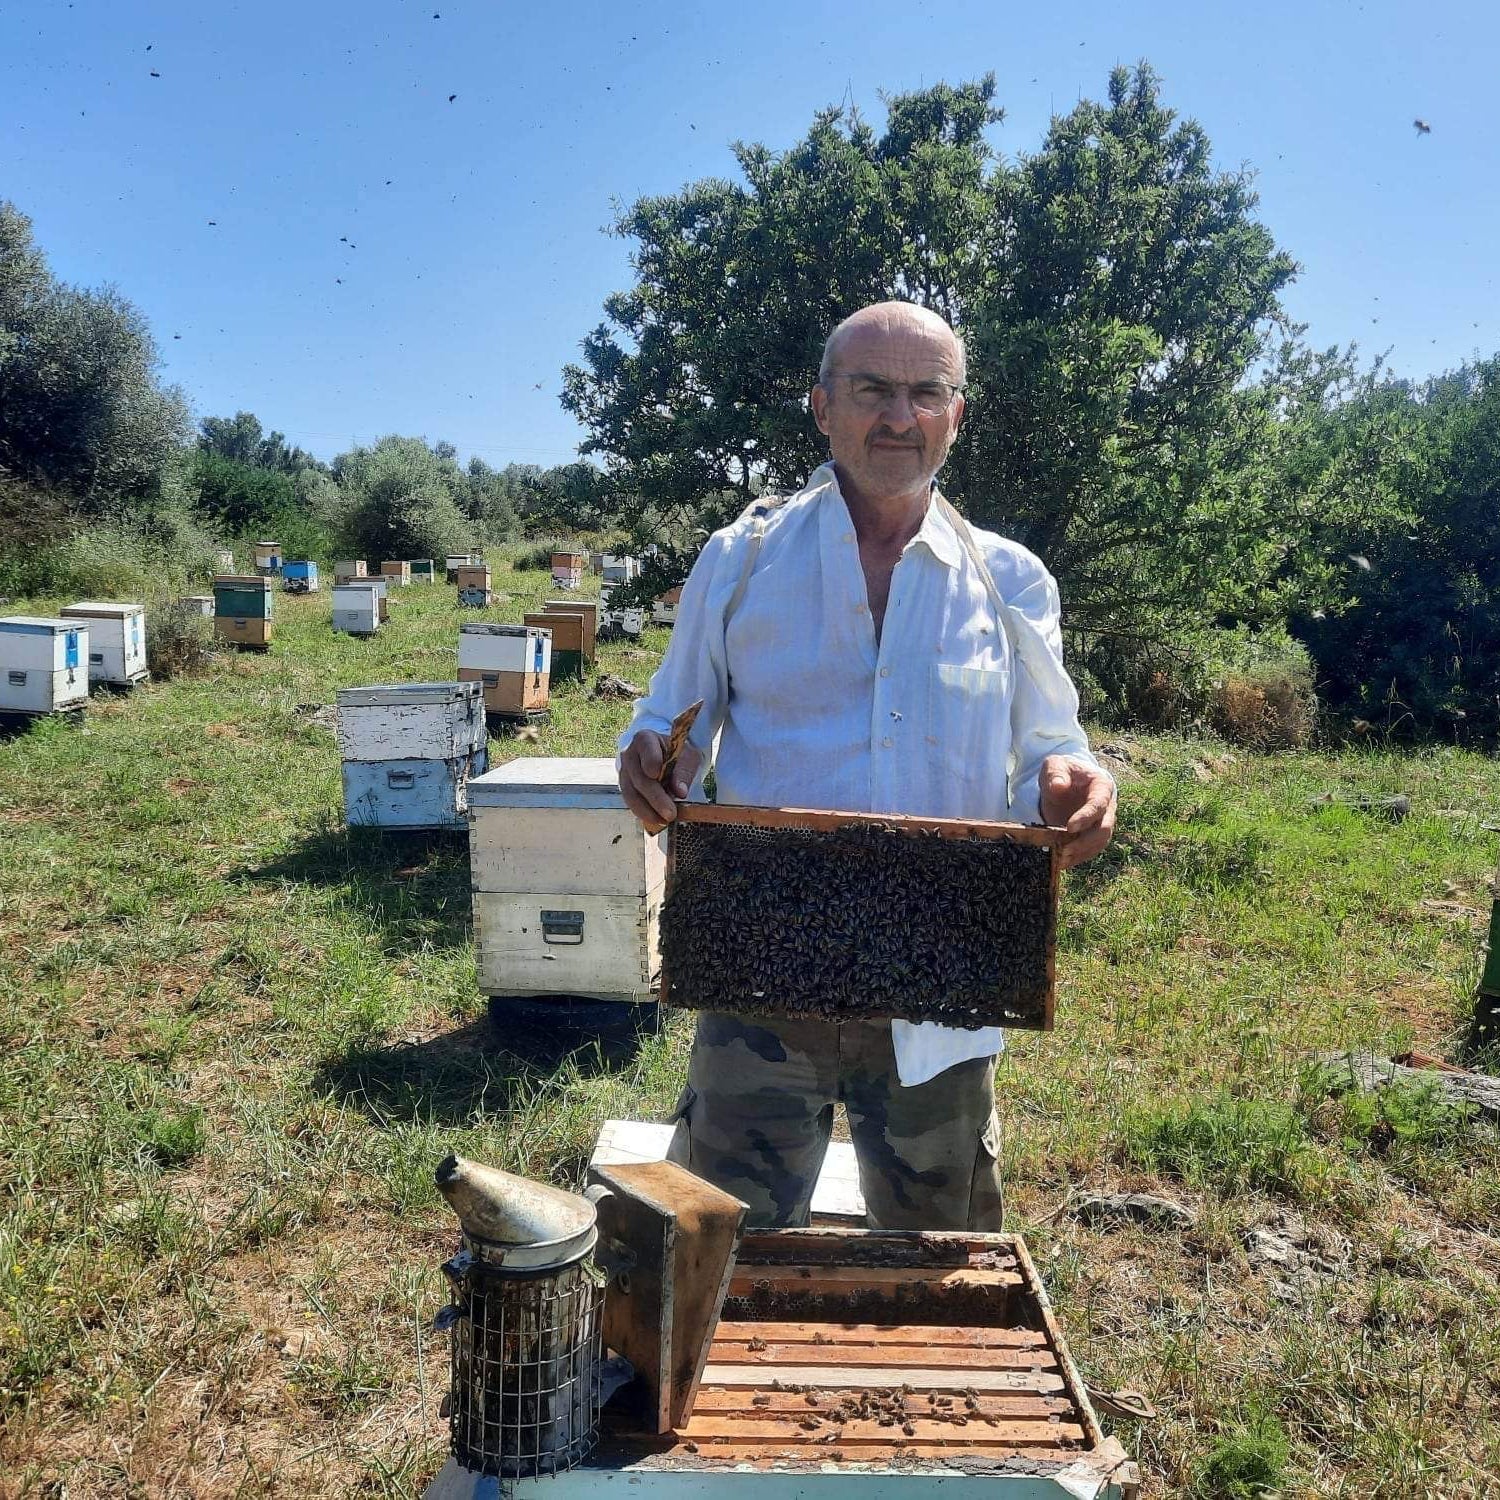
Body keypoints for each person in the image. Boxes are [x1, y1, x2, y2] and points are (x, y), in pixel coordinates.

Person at [617, 300, 1116, 1230]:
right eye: (872, 389)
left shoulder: (1012, 580)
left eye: (927, 393)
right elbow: (668, 718)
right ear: (822, 407)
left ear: (956, 414)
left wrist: (1073, 784)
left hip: (944, 989)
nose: (899, 417)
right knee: (726, 1251)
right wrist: (647, 758)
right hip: (761, 977)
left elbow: (1053, 747)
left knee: (940, 1259)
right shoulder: (740, 559)